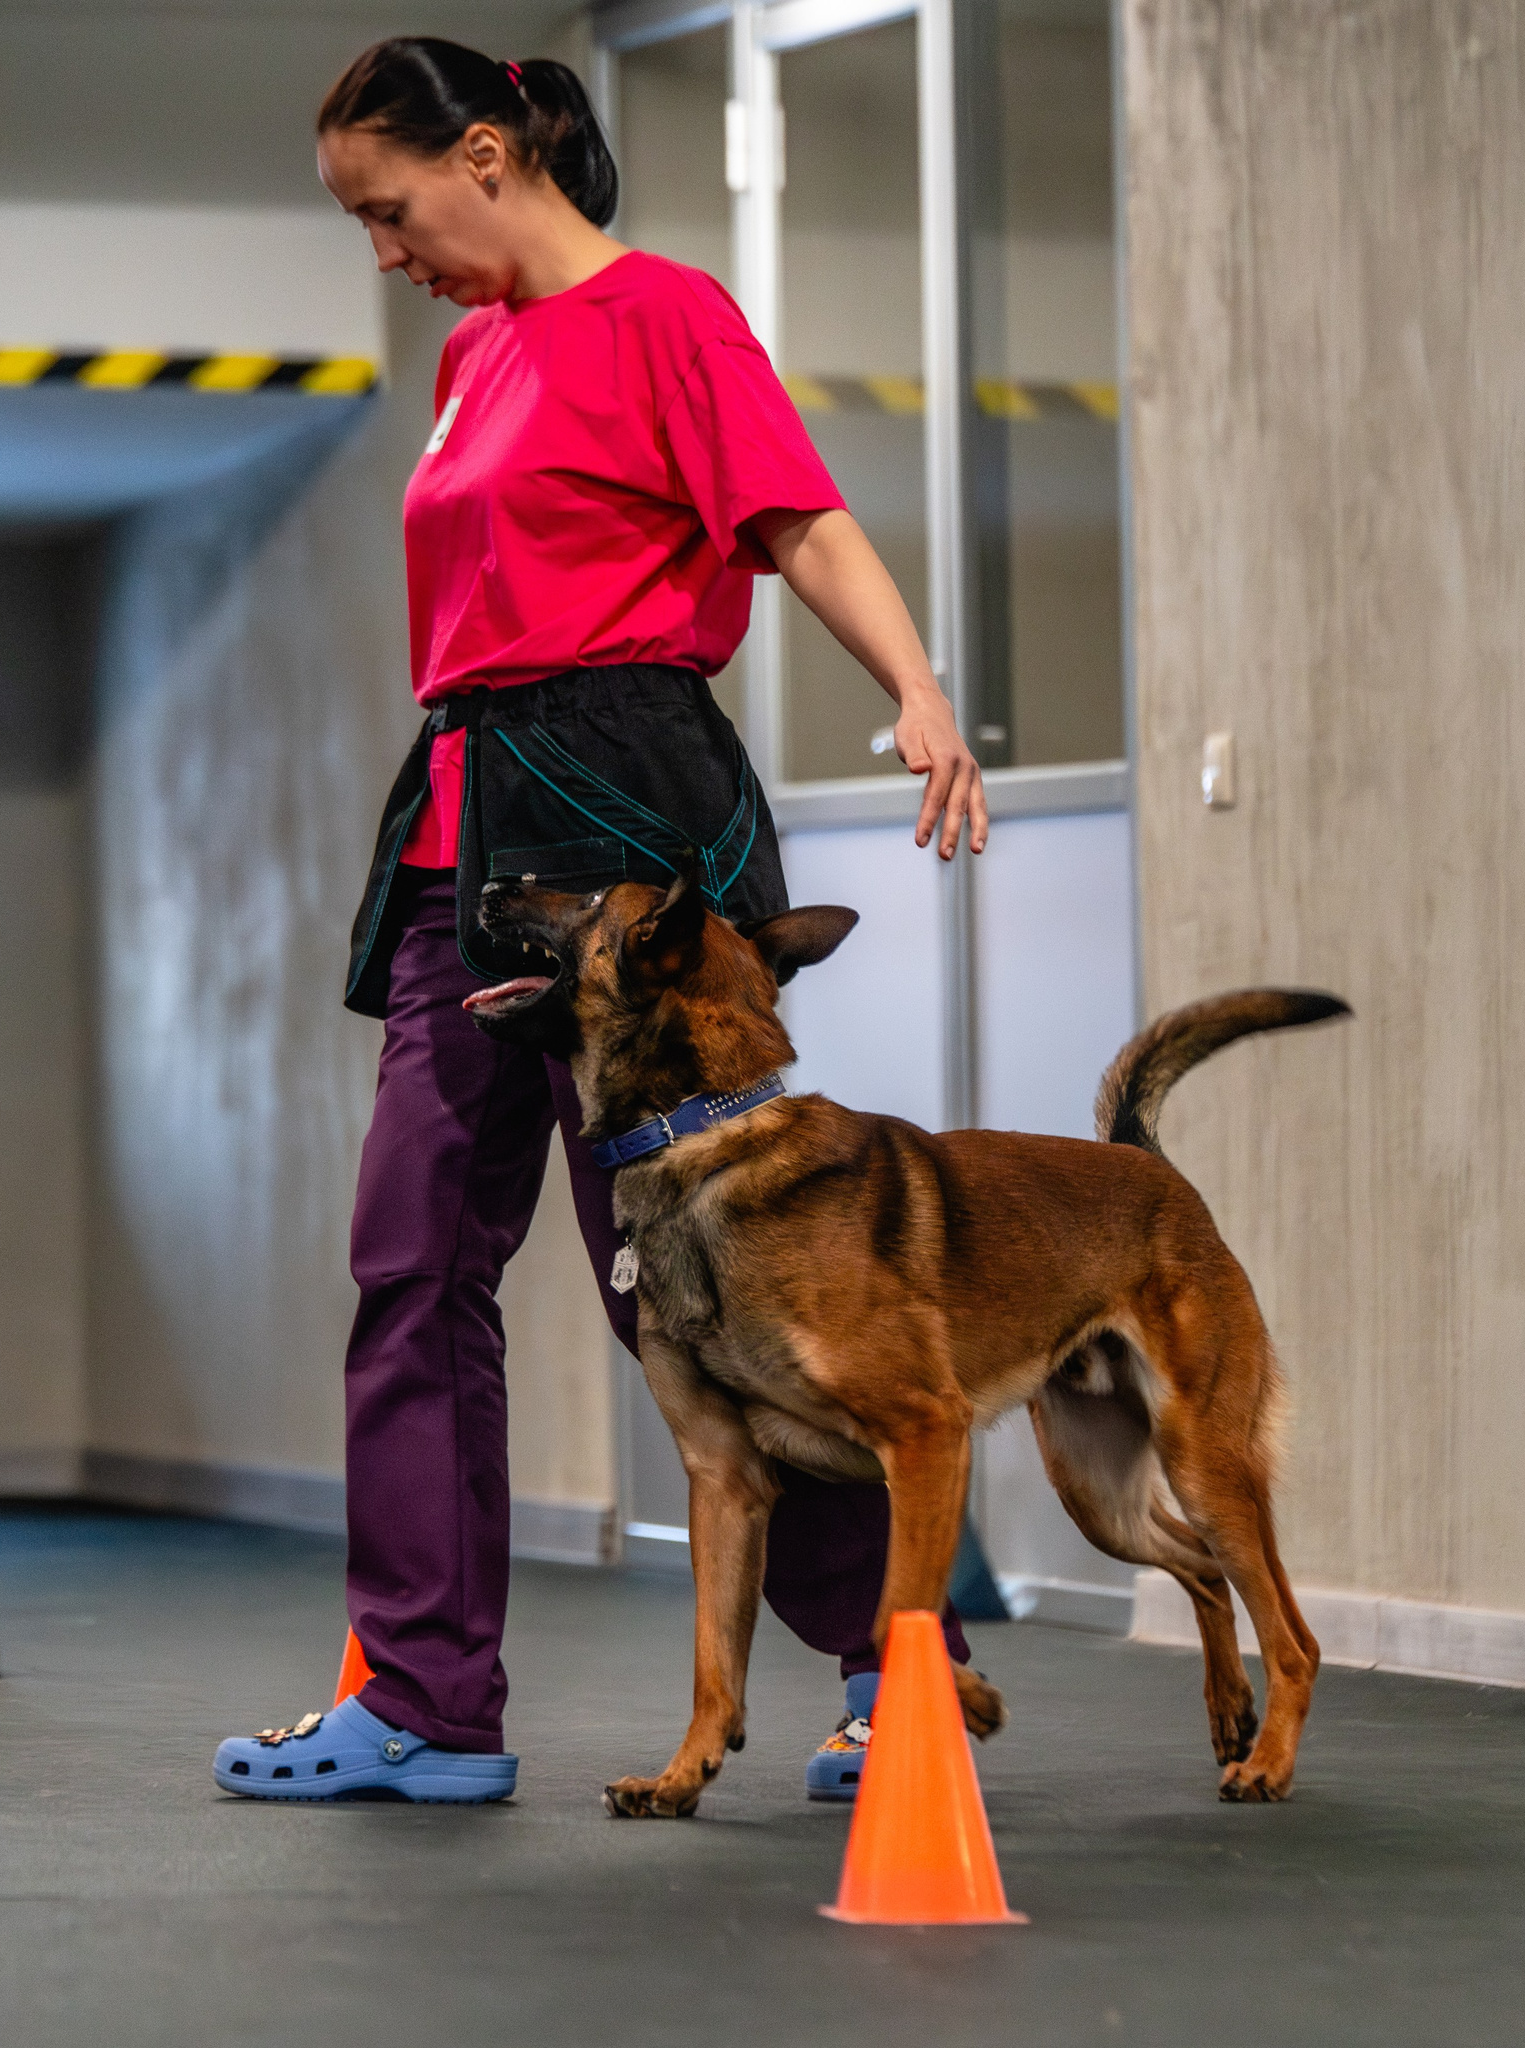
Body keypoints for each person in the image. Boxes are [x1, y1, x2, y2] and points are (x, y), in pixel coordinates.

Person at [212, 36, 989, 1809]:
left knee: (716, 1282)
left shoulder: (670, 317)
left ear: (485, 154)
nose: (383, 253)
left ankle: (897, 1669)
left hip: (634, 813)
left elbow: (798, 522)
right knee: (410, 1261)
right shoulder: (472, 355)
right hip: (471, 824)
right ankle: (425, 1704)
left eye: (388, 209)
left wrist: (920, 688)